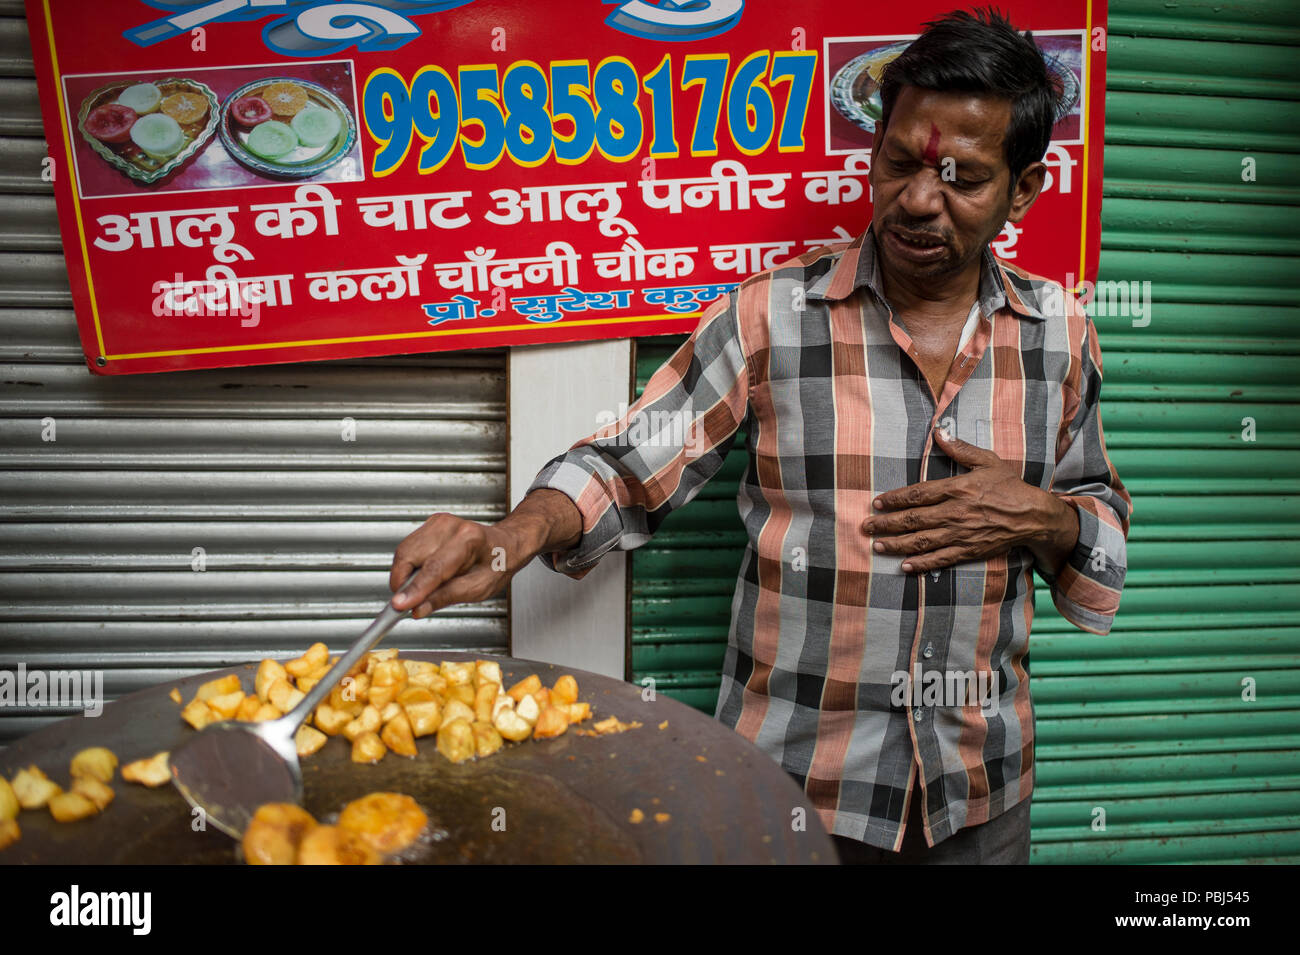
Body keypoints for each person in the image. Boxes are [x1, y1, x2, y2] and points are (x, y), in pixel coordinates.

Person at [388, 8, 1131, 865]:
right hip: (796, 789)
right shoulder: (771, 315)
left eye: (962, 178)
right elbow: (627, 463)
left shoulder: (1058, 332)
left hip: (981, 795)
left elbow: (1099, 517)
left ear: (1024, 189)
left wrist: (1046, 519)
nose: (918, 199)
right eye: (897, 164)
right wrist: (506, 534)